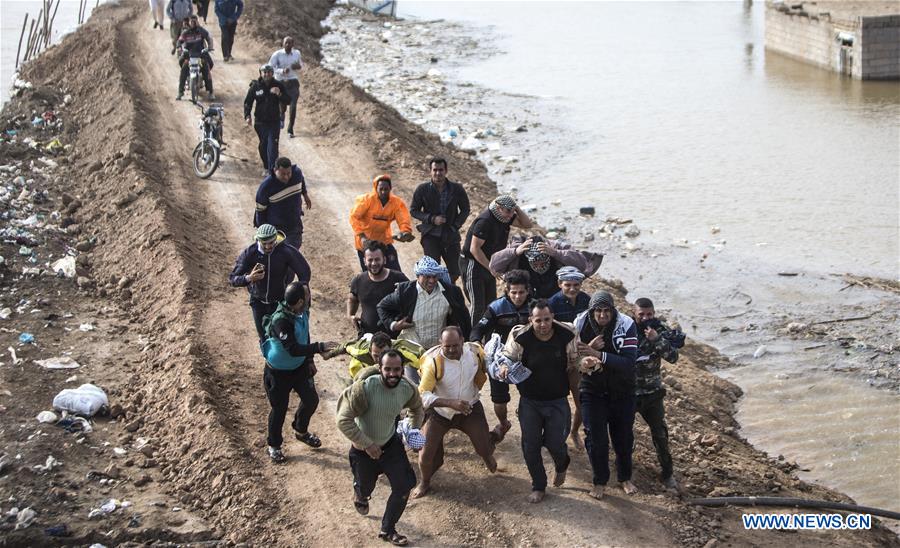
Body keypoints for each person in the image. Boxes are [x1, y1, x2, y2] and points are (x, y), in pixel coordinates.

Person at [336, 351, 423, 547]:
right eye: (388, 369)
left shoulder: (406, 388)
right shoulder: (364, 388)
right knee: (366, 486)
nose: (392, 374)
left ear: (402, 369)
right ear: (380, 369)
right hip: (362, 451)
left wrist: (411, 429)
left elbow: (417, 407)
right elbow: (343, 420)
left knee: (404, 486)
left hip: (391, 445)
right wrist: (367, 444)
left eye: (397, 369)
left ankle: (388, 529)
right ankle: (361, 493)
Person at [499, 300, 578, 503]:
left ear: (553, 318)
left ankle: (562, 464)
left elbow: (576, 361)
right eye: (538, 321)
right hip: (530, 401)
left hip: (557, 400)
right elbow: (507, 357)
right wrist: (504, 367)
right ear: (530, 320)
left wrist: (586, 362)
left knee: (555, 443)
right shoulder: (520, 336)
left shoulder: (567, 334)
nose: (543, 325)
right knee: (530, 445)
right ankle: (539, 485)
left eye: (547, 320)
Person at [412, 326, 496, 498]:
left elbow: (491, 366)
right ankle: (425, 482)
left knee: (483, 447)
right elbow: (423, 395)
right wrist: (450, 403)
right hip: (440, 413)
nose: (451, 350)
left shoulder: (474, 354)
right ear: (440, 344)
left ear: (462, 342)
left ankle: (489, 451)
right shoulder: (433, 362)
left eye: (455, 346)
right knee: (425, 455)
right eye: (446, 346)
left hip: (470, 408)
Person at [260, 282, 338, 463]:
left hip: (299, 367)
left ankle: (301, 430)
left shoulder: (302, 312)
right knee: (279, 409)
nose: (310, 297)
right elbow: (293, 348)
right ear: (301, 301)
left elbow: (305, 334)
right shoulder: (281, 321)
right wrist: (319, 347)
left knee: (311, 400)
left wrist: (310, 359)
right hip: (277, 372)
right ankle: (274, 445)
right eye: (307, 295)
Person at [574, 290, 639, 499]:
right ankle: (599, 481)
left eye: (606, 311)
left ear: (612, 310)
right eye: (598, 311)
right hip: (592, 389)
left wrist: (598, 354)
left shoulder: (626, 325)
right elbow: (571, 355)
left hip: (623, 390)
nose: (602, 315)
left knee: (623, 437)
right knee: (596, 438)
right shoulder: (580, 324)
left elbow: (628, 363)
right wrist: (586, 356)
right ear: (592, 312)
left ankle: (624, 478)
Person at [469, 269, 531, 443]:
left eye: (521, 292)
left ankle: (528, 423)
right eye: (513, 292)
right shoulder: (496, 307)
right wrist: (477, 343)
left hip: (526, 358)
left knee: (529, 396)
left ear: (528, 291)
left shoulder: (534, 307)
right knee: (499, 400)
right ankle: (503, 423)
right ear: (507, 291)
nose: (518, 296)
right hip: (499, 358)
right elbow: (478, 329)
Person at [228, 224, 311, 344]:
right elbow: (232, 279)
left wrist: (298, 293)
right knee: (264, 339)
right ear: (258, 240)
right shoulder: (250, 253)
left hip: (280, 304)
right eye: (264, 243)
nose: (268, 246)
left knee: (285, 338)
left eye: (271, 242)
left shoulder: (285, 251)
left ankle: (307, 360)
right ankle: (268, 361)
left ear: (276, 239)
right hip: (258, 302)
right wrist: (248, 278)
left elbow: (304, 272)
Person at [633, 297, 684, 489]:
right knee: (625, 434)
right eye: (641, 314)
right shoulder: (626, 328)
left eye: (649, 314)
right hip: (629, 392)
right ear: (634, 314)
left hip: (652, 392)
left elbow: (673, 357)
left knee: (660, 435)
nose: (646, 318)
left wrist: (657, 340)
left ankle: (668, 473)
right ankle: (627, 472)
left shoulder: (660, 329)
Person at [460, 194, 532, 326]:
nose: (511, 215)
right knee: (478, 305)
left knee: (491, 304)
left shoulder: (505, 217)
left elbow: (527, 224)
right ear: (498, 208)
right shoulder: (485, 221)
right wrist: (491, 268)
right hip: (473, 263)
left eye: (512, 211)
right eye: (508, 211)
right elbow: (474, 249)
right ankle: (473, 338)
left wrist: (517, 209)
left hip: (489, 262)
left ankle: (488, 335)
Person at [376, 256, 471, 350]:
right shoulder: (405, 291)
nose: (432, 281)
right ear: (418, 276)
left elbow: (464, 319)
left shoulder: (451, 292)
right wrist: (393, 325)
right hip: (411, 348)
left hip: (438, 349)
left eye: (434, 276)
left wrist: (467, 343)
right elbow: (382, 306)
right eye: (427, 276)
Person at [548, 265, 590, 449]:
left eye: (576, 285)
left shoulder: (587, 301)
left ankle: (574, 431)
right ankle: (557, 437)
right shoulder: (552, 304)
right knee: (558, 402)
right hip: (557, 358)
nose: (572, 289)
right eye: (568, 285)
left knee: (581, 400)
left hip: (579, 357)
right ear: (559, 284)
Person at [408, 158, 470, 283]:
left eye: (441, 170)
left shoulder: (456, 189)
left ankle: (448, 293)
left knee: (455, 271)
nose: (438, 173)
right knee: (431, 270)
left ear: (446, 171)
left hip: (450, 235)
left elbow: (465, 209)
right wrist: (431, 218)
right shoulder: (422, 189)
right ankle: (435, 296)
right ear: (430, 171)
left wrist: (456, 225)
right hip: (430, 235)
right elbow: (414, 210)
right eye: (435, 170)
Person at [490, 235, 603, 299]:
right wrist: (515, 251)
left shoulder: (556, 248)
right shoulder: (519, 254)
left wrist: (556, 253)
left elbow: (582, 264)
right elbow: (494, 265)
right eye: (535, 262)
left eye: (543, 262)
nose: (539, 266)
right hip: (525, 298)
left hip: (556, 296)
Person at [349, 174, 414, 273]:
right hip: (365, 244)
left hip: (384, 242)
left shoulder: (396, 203)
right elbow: (354, 217)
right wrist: (362, 236)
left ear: (390, 188)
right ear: (376, 188)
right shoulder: (367, 200)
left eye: (386, 189)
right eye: (381, 189)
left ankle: (400, 288)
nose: (383, 192)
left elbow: (403, 218)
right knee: (371, 274)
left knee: (395, 272)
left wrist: (405, 231)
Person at [348, 241, 409, 337]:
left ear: (384, 260)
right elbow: (352, 299)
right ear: (364, 261)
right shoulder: (358, 280)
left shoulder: (399, 278)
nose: (373, 263)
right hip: (367, 337)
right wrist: (350, 315)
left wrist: (402, 322)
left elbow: (412, 300)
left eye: (377, 259)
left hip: (394, 339)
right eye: (370, 260)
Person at [254, 156, 310, 250]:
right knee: (275, 256)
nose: (286, 177)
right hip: (276, 230)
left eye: (289, 173)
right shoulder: (266, 187)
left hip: (294, 226)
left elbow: (301, 180)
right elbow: (260, 211)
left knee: (291, 253)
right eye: (283, 174)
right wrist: (263, 233)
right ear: (275, 170)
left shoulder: (297, 173)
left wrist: (305, 194)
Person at [244, 64, 290, 174]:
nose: (266, 74)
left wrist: (279, 94)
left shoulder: (278, 85)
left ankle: (272, 171)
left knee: (272, 147)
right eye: (264, 72)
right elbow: (248, 102)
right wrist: (247, 115)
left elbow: (288, 100)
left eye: (269, 72)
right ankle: (266, 166)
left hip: (274, 122)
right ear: (260, 73)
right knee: (263, 146)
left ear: (272, 73)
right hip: (260, 123)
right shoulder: (255, 86)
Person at [324, 331, 423, 382]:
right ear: (370, 351)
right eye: (376, 356)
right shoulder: (360, 351)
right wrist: (329, 354)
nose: (380, 359)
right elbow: (345, 346)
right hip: (361, 373)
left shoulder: (403, 350)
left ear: (392, 349)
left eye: (384, 354)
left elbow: (425, 356)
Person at [175, 14, 215, 101]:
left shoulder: (201, 31)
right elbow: (179, 41)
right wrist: (179, 47)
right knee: (184, 69)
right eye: (191, 21)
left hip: (200, 55)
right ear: (189, 22)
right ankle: (180, 92)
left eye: (194, 21)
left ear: (197, 22)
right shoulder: (185, 32)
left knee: (206, 67)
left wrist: (210, 47)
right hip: (189, 56)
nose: (193, 23)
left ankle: (210, 91)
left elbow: (209, 37)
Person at [269, 36, 302, 137]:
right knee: (282, 105)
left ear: (293, 45)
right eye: (286, 43)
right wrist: (281, 71)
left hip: (293, 81)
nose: (288, 45)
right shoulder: (277, 55)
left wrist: (298, 66)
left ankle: (290, 129)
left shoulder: (297, 53)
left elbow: (301, 64)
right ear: (283, 44)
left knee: (293, 105)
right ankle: (281, 115)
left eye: (290, 43)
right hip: (280, 82)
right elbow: (270, 68)